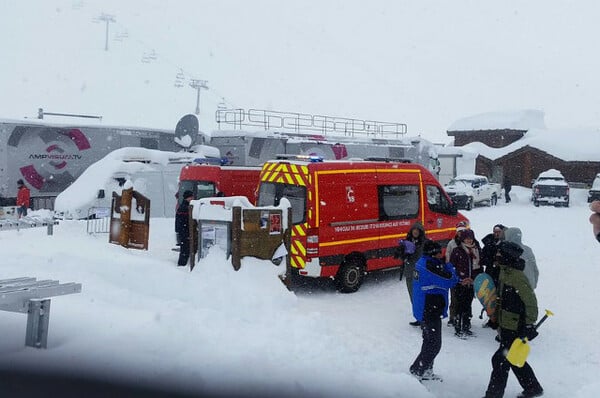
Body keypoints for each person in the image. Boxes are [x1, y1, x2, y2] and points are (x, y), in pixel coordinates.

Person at [483, 241, 543, 398]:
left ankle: (494, 395)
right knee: (513, 357)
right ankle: (533, 387)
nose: (497, 256)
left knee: (500, 360)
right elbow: (502, 299)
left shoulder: (517, 277)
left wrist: (529, 324)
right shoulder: (505, 272)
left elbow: (531, 302)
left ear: (507, 257)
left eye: (500, 254)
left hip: (516, 326)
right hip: (507, 323)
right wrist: (495, 318)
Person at [409, 240, 459, 381]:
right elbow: (450, 281)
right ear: (432, 253)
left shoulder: (424, 261)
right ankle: (417, 370)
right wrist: (449, 266)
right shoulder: (429, 266)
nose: (441, 254)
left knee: (428, 341)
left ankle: (426, 370)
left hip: (426, 307)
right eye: (438, 252)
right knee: (434, 345)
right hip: (429, 309)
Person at [450, 228, 482, 337]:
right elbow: (452, 268)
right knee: (459, 305)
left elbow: (479, 267)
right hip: (461, 283)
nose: (468, 241)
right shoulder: (457, 250)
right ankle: (458, 327)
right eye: (466, 239)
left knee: (468, 305)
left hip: (471, 283)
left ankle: (466, 326)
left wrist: (474, 278)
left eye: (470, 238)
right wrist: (460, 279)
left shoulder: (477, 249)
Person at [396, 222, 426, 326]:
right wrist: (402, 254)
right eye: (414, 230)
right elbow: (402, 257)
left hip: (420, 274)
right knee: (413, 296)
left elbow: (423, 257)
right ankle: (419, 317)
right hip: (409, 272)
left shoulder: (424, 243)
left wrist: (412, 254)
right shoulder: (407, 241)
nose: (416, 232)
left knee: (421, 297)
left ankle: (424, 319)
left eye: (418, 230)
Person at [446, 221, 469, 326]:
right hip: (455, 274)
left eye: (463, 231)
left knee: (466, 298)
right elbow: (448, 257)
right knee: (454, 297)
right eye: (459, 231)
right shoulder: (451, 243)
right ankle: (452, 317)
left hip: (466, 276)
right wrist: (450, 271)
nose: (461, 233)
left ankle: (465, 318)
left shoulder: (469, 242)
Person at [175, 190, 194, 266]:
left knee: (185, 248)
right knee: (185, 249)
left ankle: (183, 263)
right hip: (184, 231)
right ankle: (182, 264)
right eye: (191, 196)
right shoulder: (185, 207)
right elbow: (184, 221)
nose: (193, 198)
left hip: (183, 231)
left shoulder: (183, 206)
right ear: (188, 198)